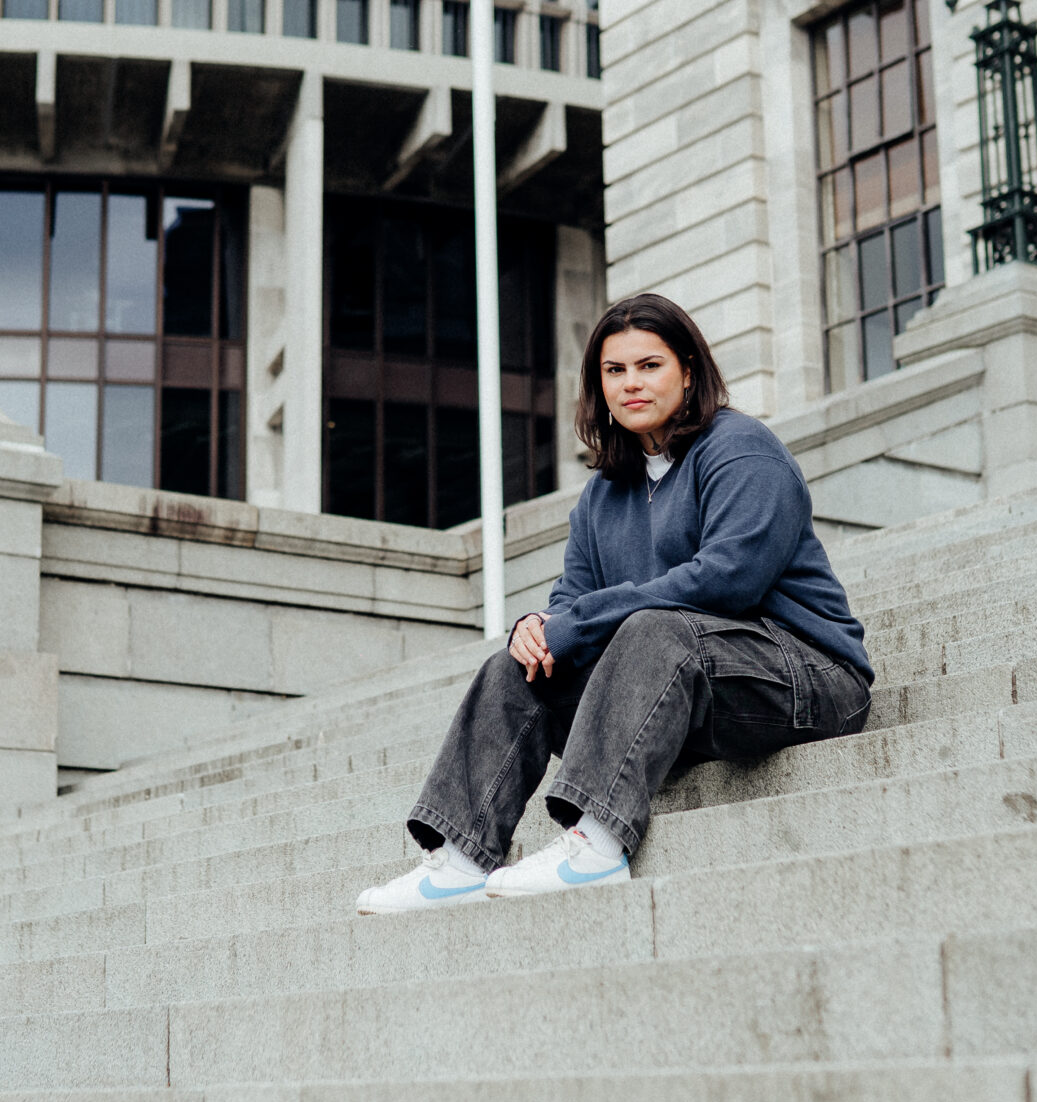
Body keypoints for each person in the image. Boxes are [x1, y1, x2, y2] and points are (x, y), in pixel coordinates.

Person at [358, 292, 872, 912]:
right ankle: (462, 860)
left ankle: (597, 844)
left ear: (688, 370)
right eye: (615, 370)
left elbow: (727, 581)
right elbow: (571, 601)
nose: (631, 383)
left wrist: (578, 621)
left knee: (654, 629)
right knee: (518, 666)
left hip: (808, 676)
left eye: (649, 365)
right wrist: (539, 627)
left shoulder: (741, 449)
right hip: (685, 689)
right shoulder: (603, 493)